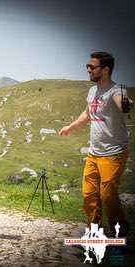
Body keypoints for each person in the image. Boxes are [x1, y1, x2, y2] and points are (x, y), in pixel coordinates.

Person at [59, 52, 133, 237]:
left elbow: (124, 104)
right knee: (89, 195)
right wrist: (70, 127)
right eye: (87, 66)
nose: (88, 70)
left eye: (92, 67)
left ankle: (120, 231)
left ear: (105, 69)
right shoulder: (92, 91)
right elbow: (87, 114)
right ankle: (94, 233)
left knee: (107, 195)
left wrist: (127, 103)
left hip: (114, 153)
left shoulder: (117, 91)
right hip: (94, 153)